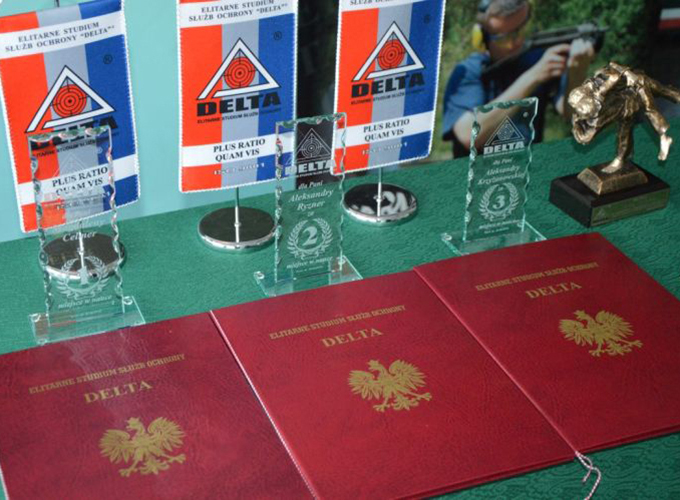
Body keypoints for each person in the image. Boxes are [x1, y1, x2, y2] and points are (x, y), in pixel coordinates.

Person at [441, 0, 595, 157]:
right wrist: (533, 76)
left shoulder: (536, 59)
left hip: (528, 167)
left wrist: (577, 71)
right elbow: (468, 135)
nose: (517, 42)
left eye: (522, 30)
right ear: (482, 39)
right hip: (477, 171)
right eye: (504, 39)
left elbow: (571, 114)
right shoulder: (469, 72)